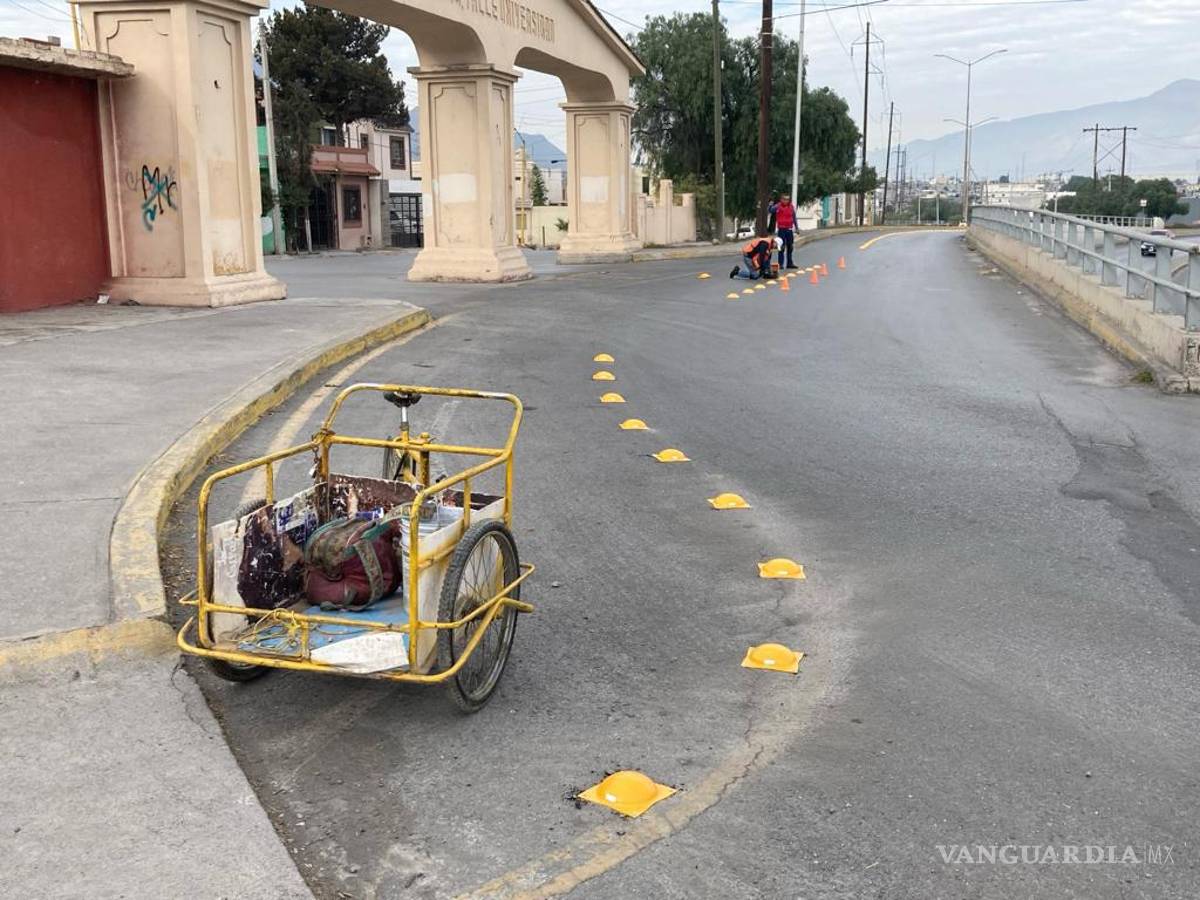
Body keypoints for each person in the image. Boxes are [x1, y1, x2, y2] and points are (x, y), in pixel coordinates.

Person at [773, 192, 798, 269]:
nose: (786, 201)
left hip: (789, 229)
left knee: (790, 247)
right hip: (782, 229)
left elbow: (794, 217)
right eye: (784, 199)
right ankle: (780, 264)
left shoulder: (791, 207)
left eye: (787, 199)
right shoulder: (778, 206)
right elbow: (771, 210)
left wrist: (796, 227)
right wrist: (770, 205)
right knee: (782, 247)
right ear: (781, 199)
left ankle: (789, 263)